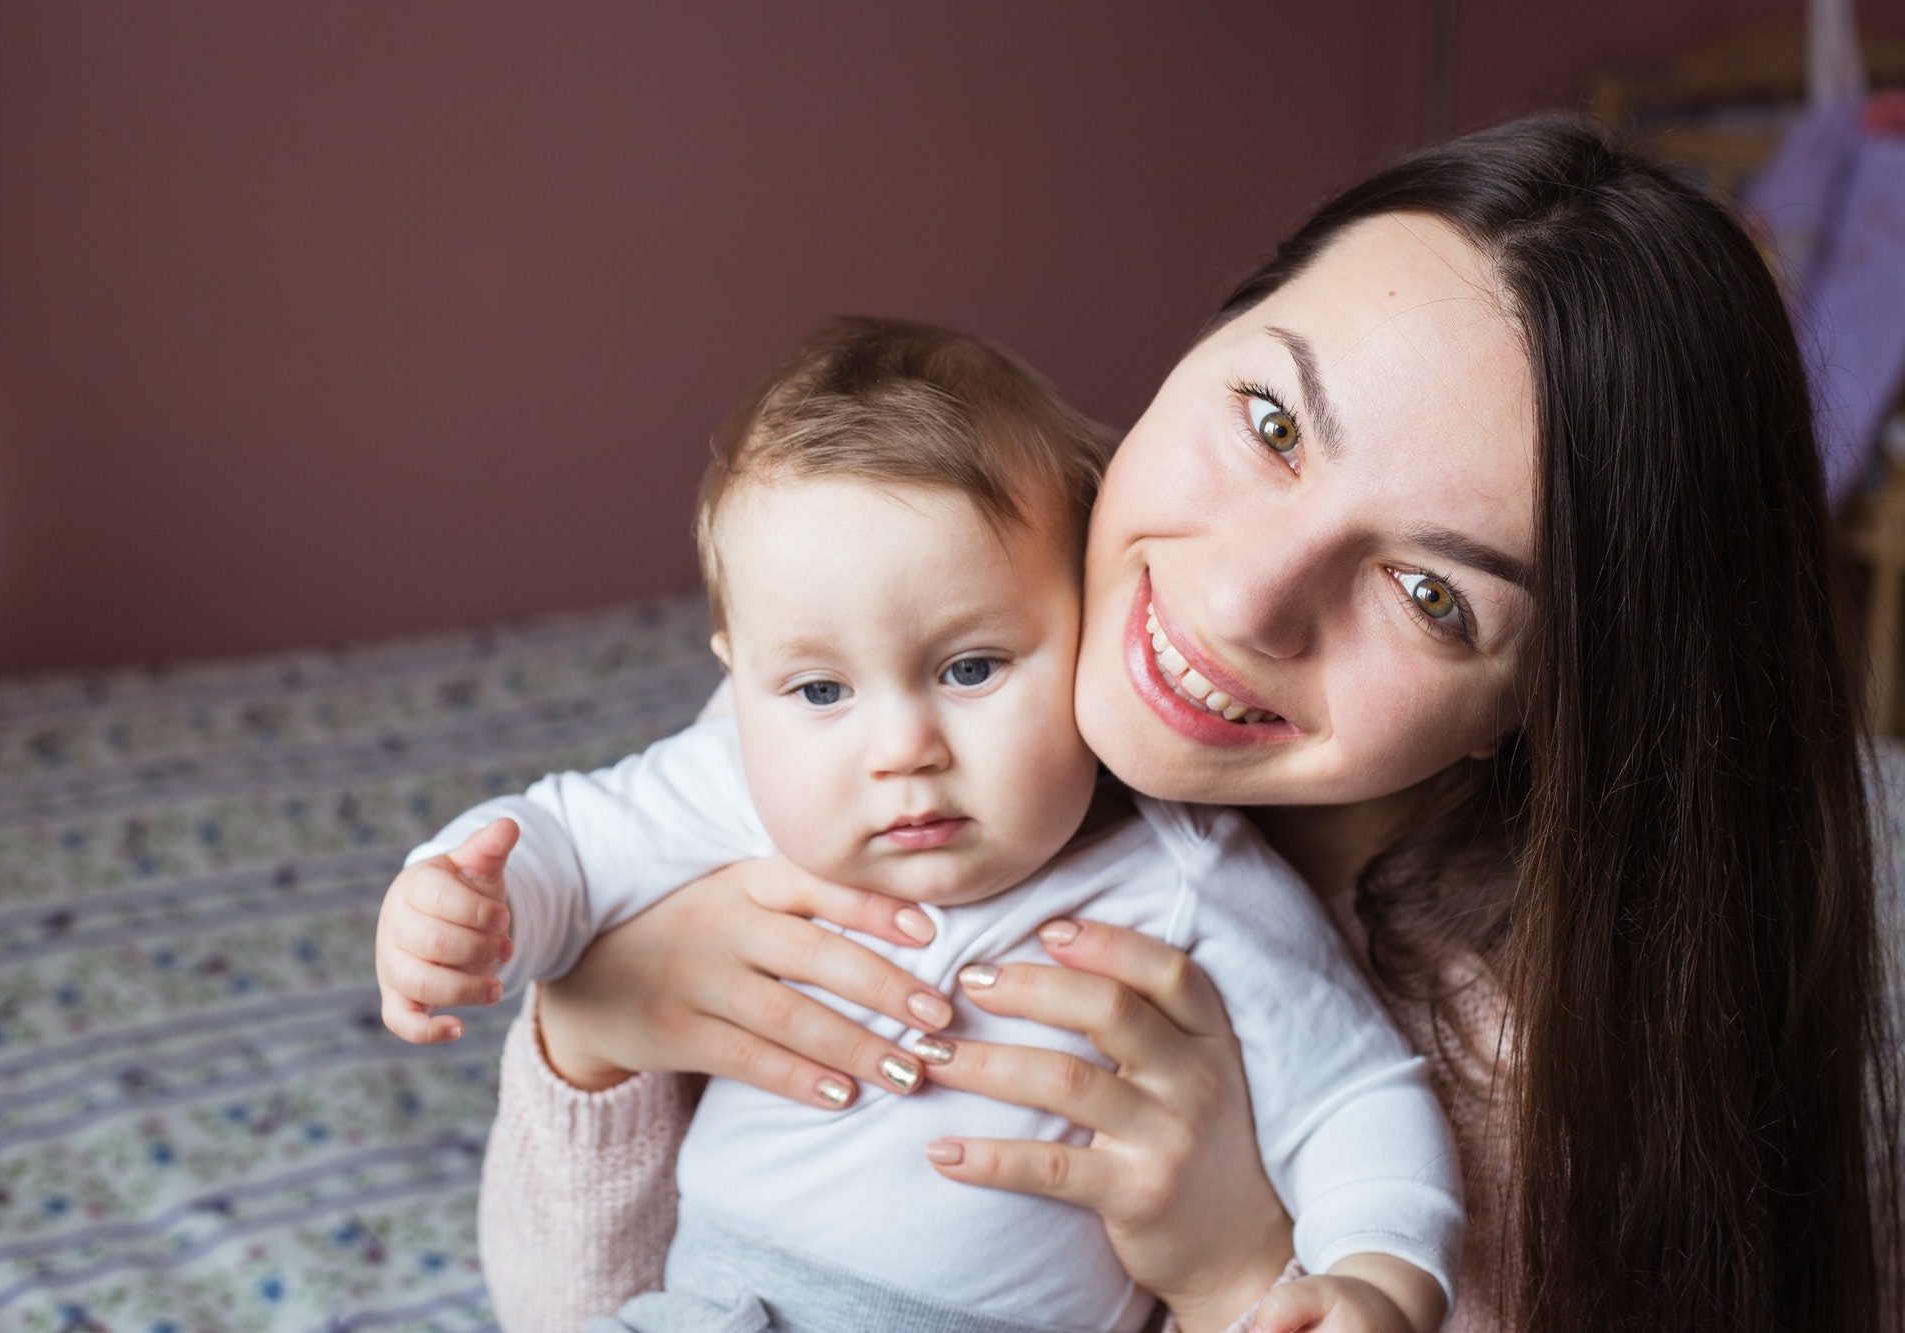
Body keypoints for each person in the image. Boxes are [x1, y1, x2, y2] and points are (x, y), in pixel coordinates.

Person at [464, 115, 1901, 1332]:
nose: (1241, 596)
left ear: (1545, 708)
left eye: (1428, 592)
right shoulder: (916, 665)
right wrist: (595, 1036)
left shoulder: (1524, 1091)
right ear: (1205, 339)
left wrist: (1233, 1273)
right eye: (1273, 421)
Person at [379, 319, 1463, 1333]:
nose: (901, 747)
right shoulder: (735, 782)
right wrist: (469, 898)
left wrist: (1374, 1269)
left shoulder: (1184, 883)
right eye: (816, 691)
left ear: (1083, 623)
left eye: (971, 667)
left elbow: (1353, 1099)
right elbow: (560, 842)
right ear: (739, 679)